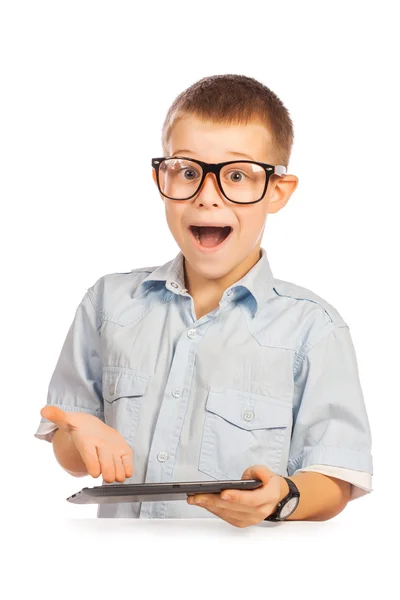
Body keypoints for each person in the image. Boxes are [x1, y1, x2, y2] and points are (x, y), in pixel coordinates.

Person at [34, 74, 373, 526]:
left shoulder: (313, 330)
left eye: (237, 175)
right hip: (117, 573)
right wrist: (80, 438)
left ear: (277, 191)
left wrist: (280, 497)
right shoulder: (108, 304)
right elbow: (69, 450)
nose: (207, 197)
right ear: (161, 177)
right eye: (188, 171)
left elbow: (335, 478)